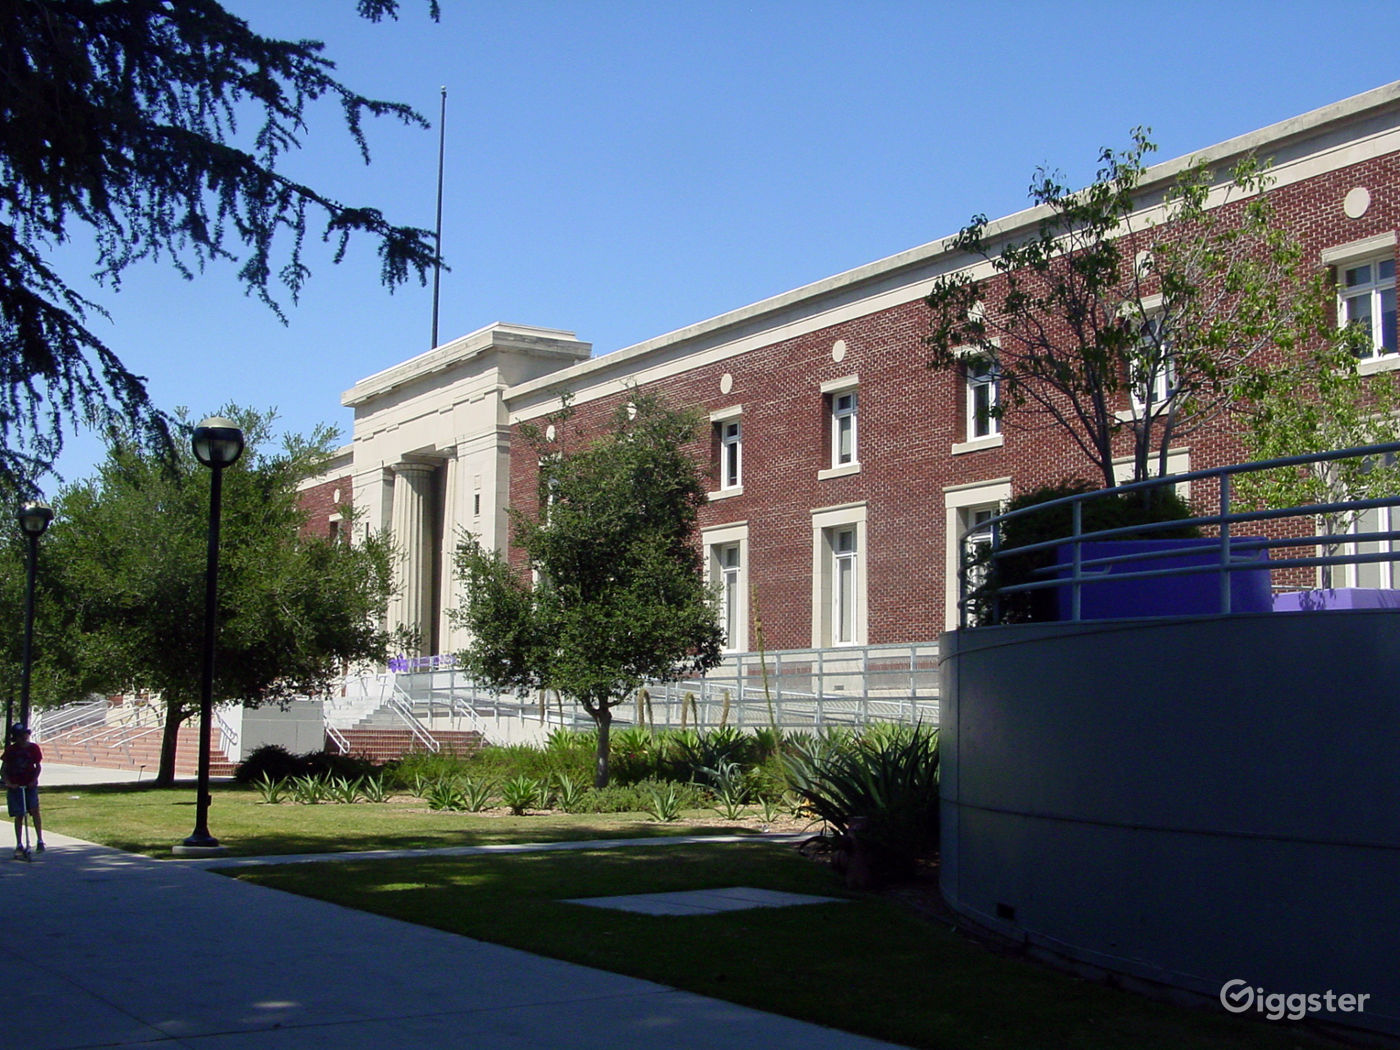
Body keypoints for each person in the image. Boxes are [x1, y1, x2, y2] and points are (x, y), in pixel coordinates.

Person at [2, 725, 43, 858]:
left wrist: (34, 780)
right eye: (20, 735)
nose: (23, 737)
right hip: (15, 786)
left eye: (25, 734)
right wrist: (8, 782)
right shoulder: (11, 750)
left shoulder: (33, 748)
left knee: (35, 810)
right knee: (19, 814)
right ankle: (19, 843)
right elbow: (4, 768)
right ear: (16, 737)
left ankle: (39, 840)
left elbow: (38, 766)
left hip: (29, 785)